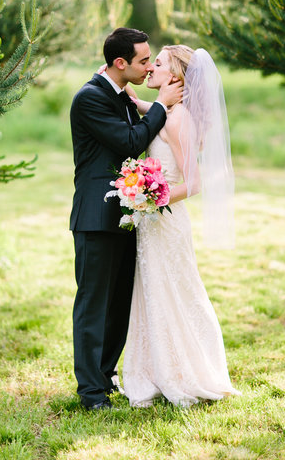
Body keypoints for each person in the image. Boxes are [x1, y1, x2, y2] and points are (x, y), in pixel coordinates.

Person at [69, 28, 183, 410]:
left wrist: (149, 106)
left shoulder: (118, 93)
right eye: (143, 61)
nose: (149, 65)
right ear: (121, 64)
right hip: (95, 217)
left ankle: (105, 377)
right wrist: (162, 106)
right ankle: (90, 393)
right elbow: (131, 142)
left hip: (127, 214)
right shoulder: (89, 99)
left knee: (118, 304)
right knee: (92, 304)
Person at [123, 44, 240, 407]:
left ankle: (191, 371)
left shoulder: (178, 119)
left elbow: (194, 183)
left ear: (173, 77)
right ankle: (158, 369)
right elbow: (147, 109)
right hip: (153, 223)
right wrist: (118, 83)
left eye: (156, 64)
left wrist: (150, 198)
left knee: (179, 293)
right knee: (155, 294)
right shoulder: (167, 111)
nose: (150, 69)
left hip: (166, 223)